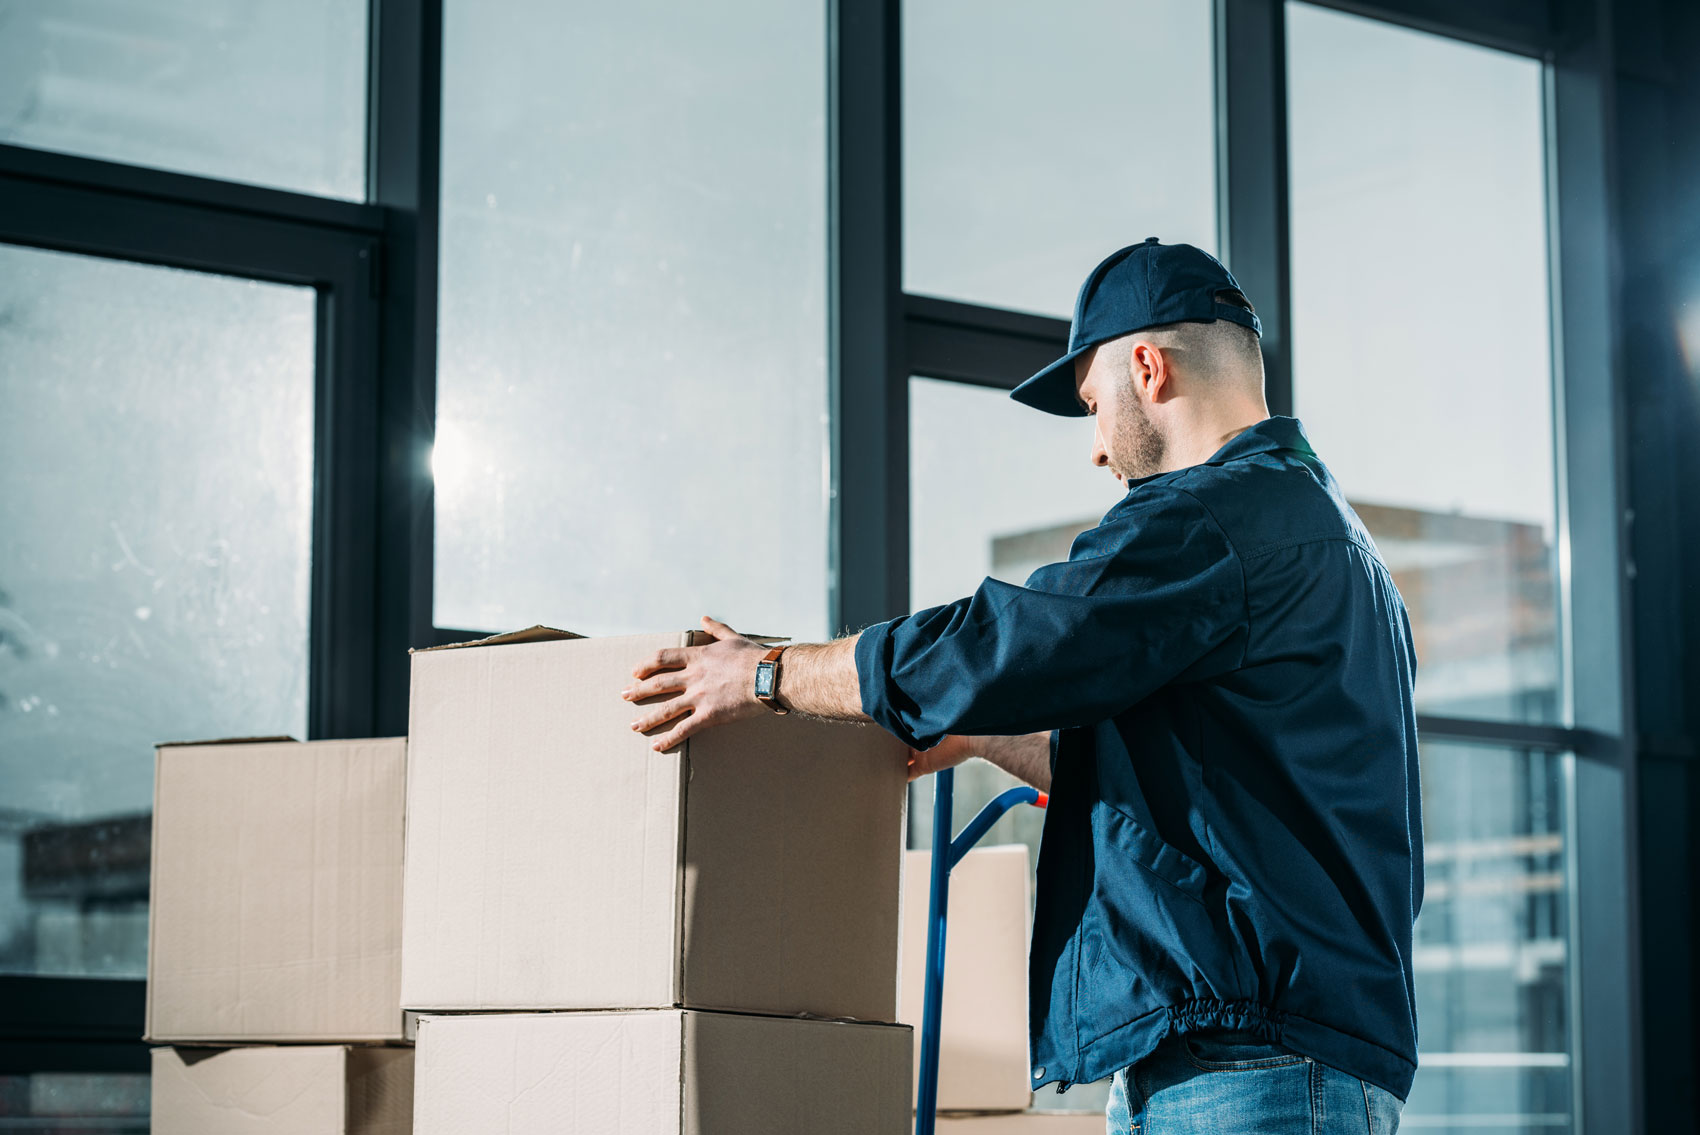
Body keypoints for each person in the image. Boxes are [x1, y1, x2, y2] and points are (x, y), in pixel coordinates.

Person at [618, 238, 1419, 1134]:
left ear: (1147, 368)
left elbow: (1011, 641)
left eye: (1091, 407)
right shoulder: (1329, 538)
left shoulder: (1211, 519)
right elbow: (1203, 777)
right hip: (1269, 1058)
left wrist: (768, 674)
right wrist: (978, 734)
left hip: (1245, 1068)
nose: (1097, 451)